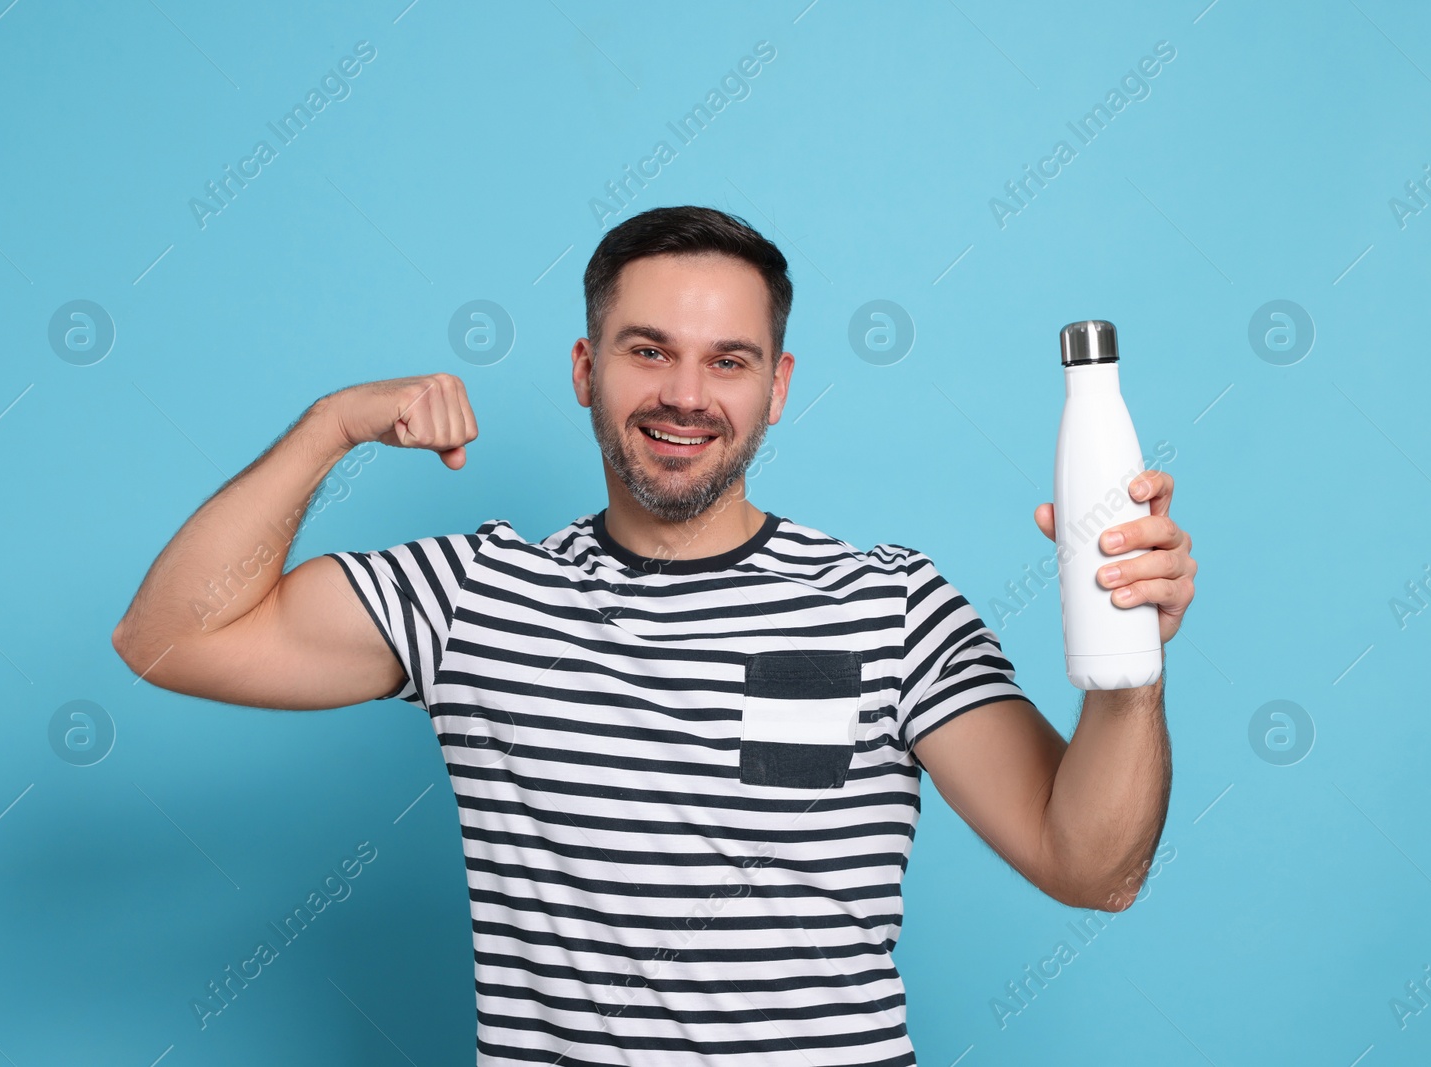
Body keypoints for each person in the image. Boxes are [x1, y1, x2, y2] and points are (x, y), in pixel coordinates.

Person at [112, 205, 1197, 1065]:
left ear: (777, 388)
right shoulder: (473, 595)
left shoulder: (890, 602)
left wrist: (1128, 678)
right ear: (586, 369)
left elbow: (1090, 867)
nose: (685, 395)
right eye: (648, 351)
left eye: (728, 360)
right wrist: (331, 425)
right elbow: (168, 640)